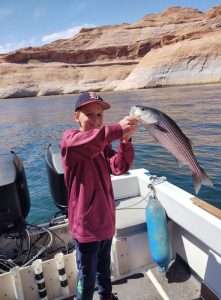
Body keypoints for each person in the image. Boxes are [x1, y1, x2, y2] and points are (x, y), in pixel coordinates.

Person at [60, 91, 139, 300]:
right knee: (86, 276)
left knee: (105, 270)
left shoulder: (103, 145)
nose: (96, 121)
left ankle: (106, 297)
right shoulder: (70, 141)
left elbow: (119, 167)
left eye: (100, 116)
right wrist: (115, 130)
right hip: (86, 227)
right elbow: (88, 143)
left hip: (105, 223)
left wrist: (125, 141)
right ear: (76, 116)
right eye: (90, 114)